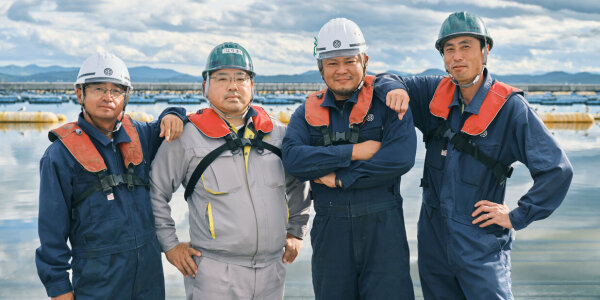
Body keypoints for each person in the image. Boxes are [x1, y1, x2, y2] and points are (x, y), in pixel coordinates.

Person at [379, 11, 574, 299]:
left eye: (466, 46)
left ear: (485, 50)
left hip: (481, 243)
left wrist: (518, 215)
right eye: (449, 49)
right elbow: (385, 78)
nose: (457, 56)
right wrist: (395, 88)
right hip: (433, 241)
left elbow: (557, 170)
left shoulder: (511, 108)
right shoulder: (433, 92)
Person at [149, 42, 311, 300]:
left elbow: (299, 184)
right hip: (214, 272)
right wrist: (170, 245)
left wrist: (296, 230)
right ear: (205, 86)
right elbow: (155, 192)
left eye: (240, 78)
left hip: (273, 269)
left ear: (252, 86)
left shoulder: (278, 136)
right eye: (222, 78)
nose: (233, 86)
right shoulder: (187, 139)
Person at [282, 18, 417, 299]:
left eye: (349, 61)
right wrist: (354, 152)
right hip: (331, 230)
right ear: (321, 68)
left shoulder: (389, 104)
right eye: (332, 63)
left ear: (364, 61)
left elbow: (399, 159)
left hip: (384, 229)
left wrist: (342, 178)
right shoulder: (305, 113)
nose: (341, 70)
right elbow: (294, 160)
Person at [35, 52, 187, 299]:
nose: (108, 97)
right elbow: (51, 231)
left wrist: (173, 114)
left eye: (116, 91)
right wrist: (59, 288)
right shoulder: (59, 156)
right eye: (97, 89)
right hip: (98, 286)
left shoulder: (142, 135)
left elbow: (174, 116)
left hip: (149, 282)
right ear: (79, 93)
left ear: (126, 96)